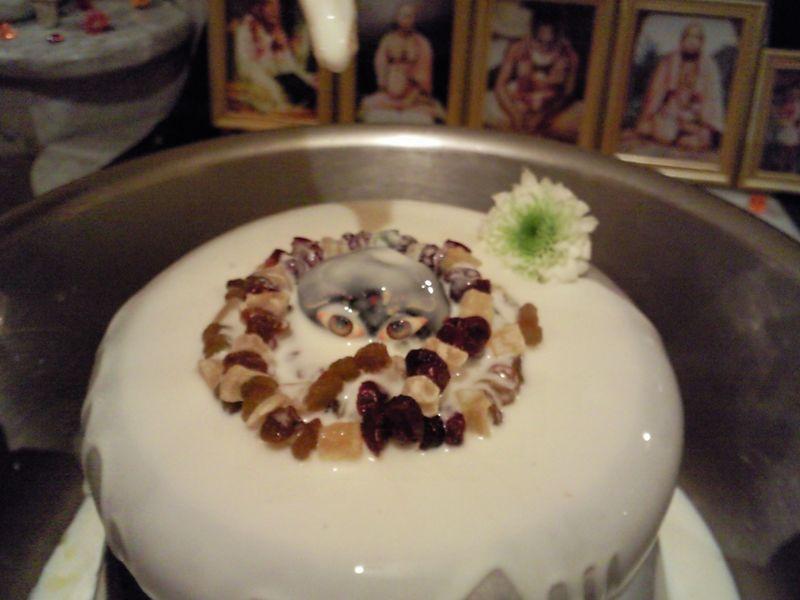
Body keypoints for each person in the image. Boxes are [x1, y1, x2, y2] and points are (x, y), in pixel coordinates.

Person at [635, 22, 724, 152]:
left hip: (695, 118)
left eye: (696, 38)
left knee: (704, 138)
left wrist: (701, 120)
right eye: (689, 37)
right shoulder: (668, 61)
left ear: (702, 42)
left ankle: (685, 136)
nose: (692, 41)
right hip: (670, 114)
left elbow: (712, 100)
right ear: (682, 40)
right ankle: (676, 136)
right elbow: (656, 93)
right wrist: (653, 114)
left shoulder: (709, 66)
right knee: (663, 133)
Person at [359, 3, 446, 124]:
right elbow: (380, 66)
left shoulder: (421, 43)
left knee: (429, 111)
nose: (406, 20)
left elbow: (424, 74)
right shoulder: (388, 40)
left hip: (414, 97)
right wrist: (388, 86)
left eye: (410, 16)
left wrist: (412, 96)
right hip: (389, 95)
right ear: (397, 18)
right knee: (369, 105)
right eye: (403, 16)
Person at [492, 17, 579, 134]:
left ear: (559, 38)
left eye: (551, 43)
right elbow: (500, 86)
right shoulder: (517, 48)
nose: (545, 48)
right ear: (531, 36)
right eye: (540, 42)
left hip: (550, 103)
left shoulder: (569, 55)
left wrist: (544, 115)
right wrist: (514, 114)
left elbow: (568, 93)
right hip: (519, 96)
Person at [234, 0, 317, 113]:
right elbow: (246, 69)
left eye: (277, 5)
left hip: (282, 81)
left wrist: (308, 79)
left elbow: (290, 65)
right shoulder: (246, 29)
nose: (274, 10)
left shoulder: (276, 30)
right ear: (257, 7)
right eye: (269, 4)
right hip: (260, 85)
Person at [770, 87, 800, 172]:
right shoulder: (787, 106)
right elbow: (782, 117)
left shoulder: (795, 106)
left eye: (796, 96)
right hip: (786, 132)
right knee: (784, 153)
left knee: (791, 154)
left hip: (792, 133)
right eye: (792, 96)